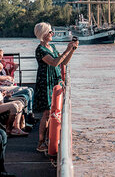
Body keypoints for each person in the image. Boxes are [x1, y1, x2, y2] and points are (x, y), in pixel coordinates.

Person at [33, 22, 78, 152]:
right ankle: (41, 142)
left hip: (55, 81)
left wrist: (72, 50)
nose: (52, 34)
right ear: (44, 34)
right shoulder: (40, 50)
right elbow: (54, 63)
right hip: (45, 81)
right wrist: (67, 50)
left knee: (54, 111)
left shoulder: (51, 46)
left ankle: (49, 139)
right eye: (50, 32)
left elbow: (63, 62)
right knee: (46, 113)